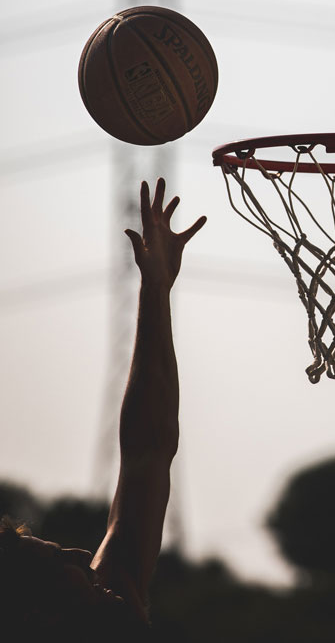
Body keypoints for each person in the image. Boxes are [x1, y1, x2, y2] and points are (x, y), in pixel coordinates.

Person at [0, 178, 206, 639]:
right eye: (60, 564)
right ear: (37, 616)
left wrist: (155, 290)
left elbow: (147, 454)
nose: (80, 556)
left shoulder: (104, 601)